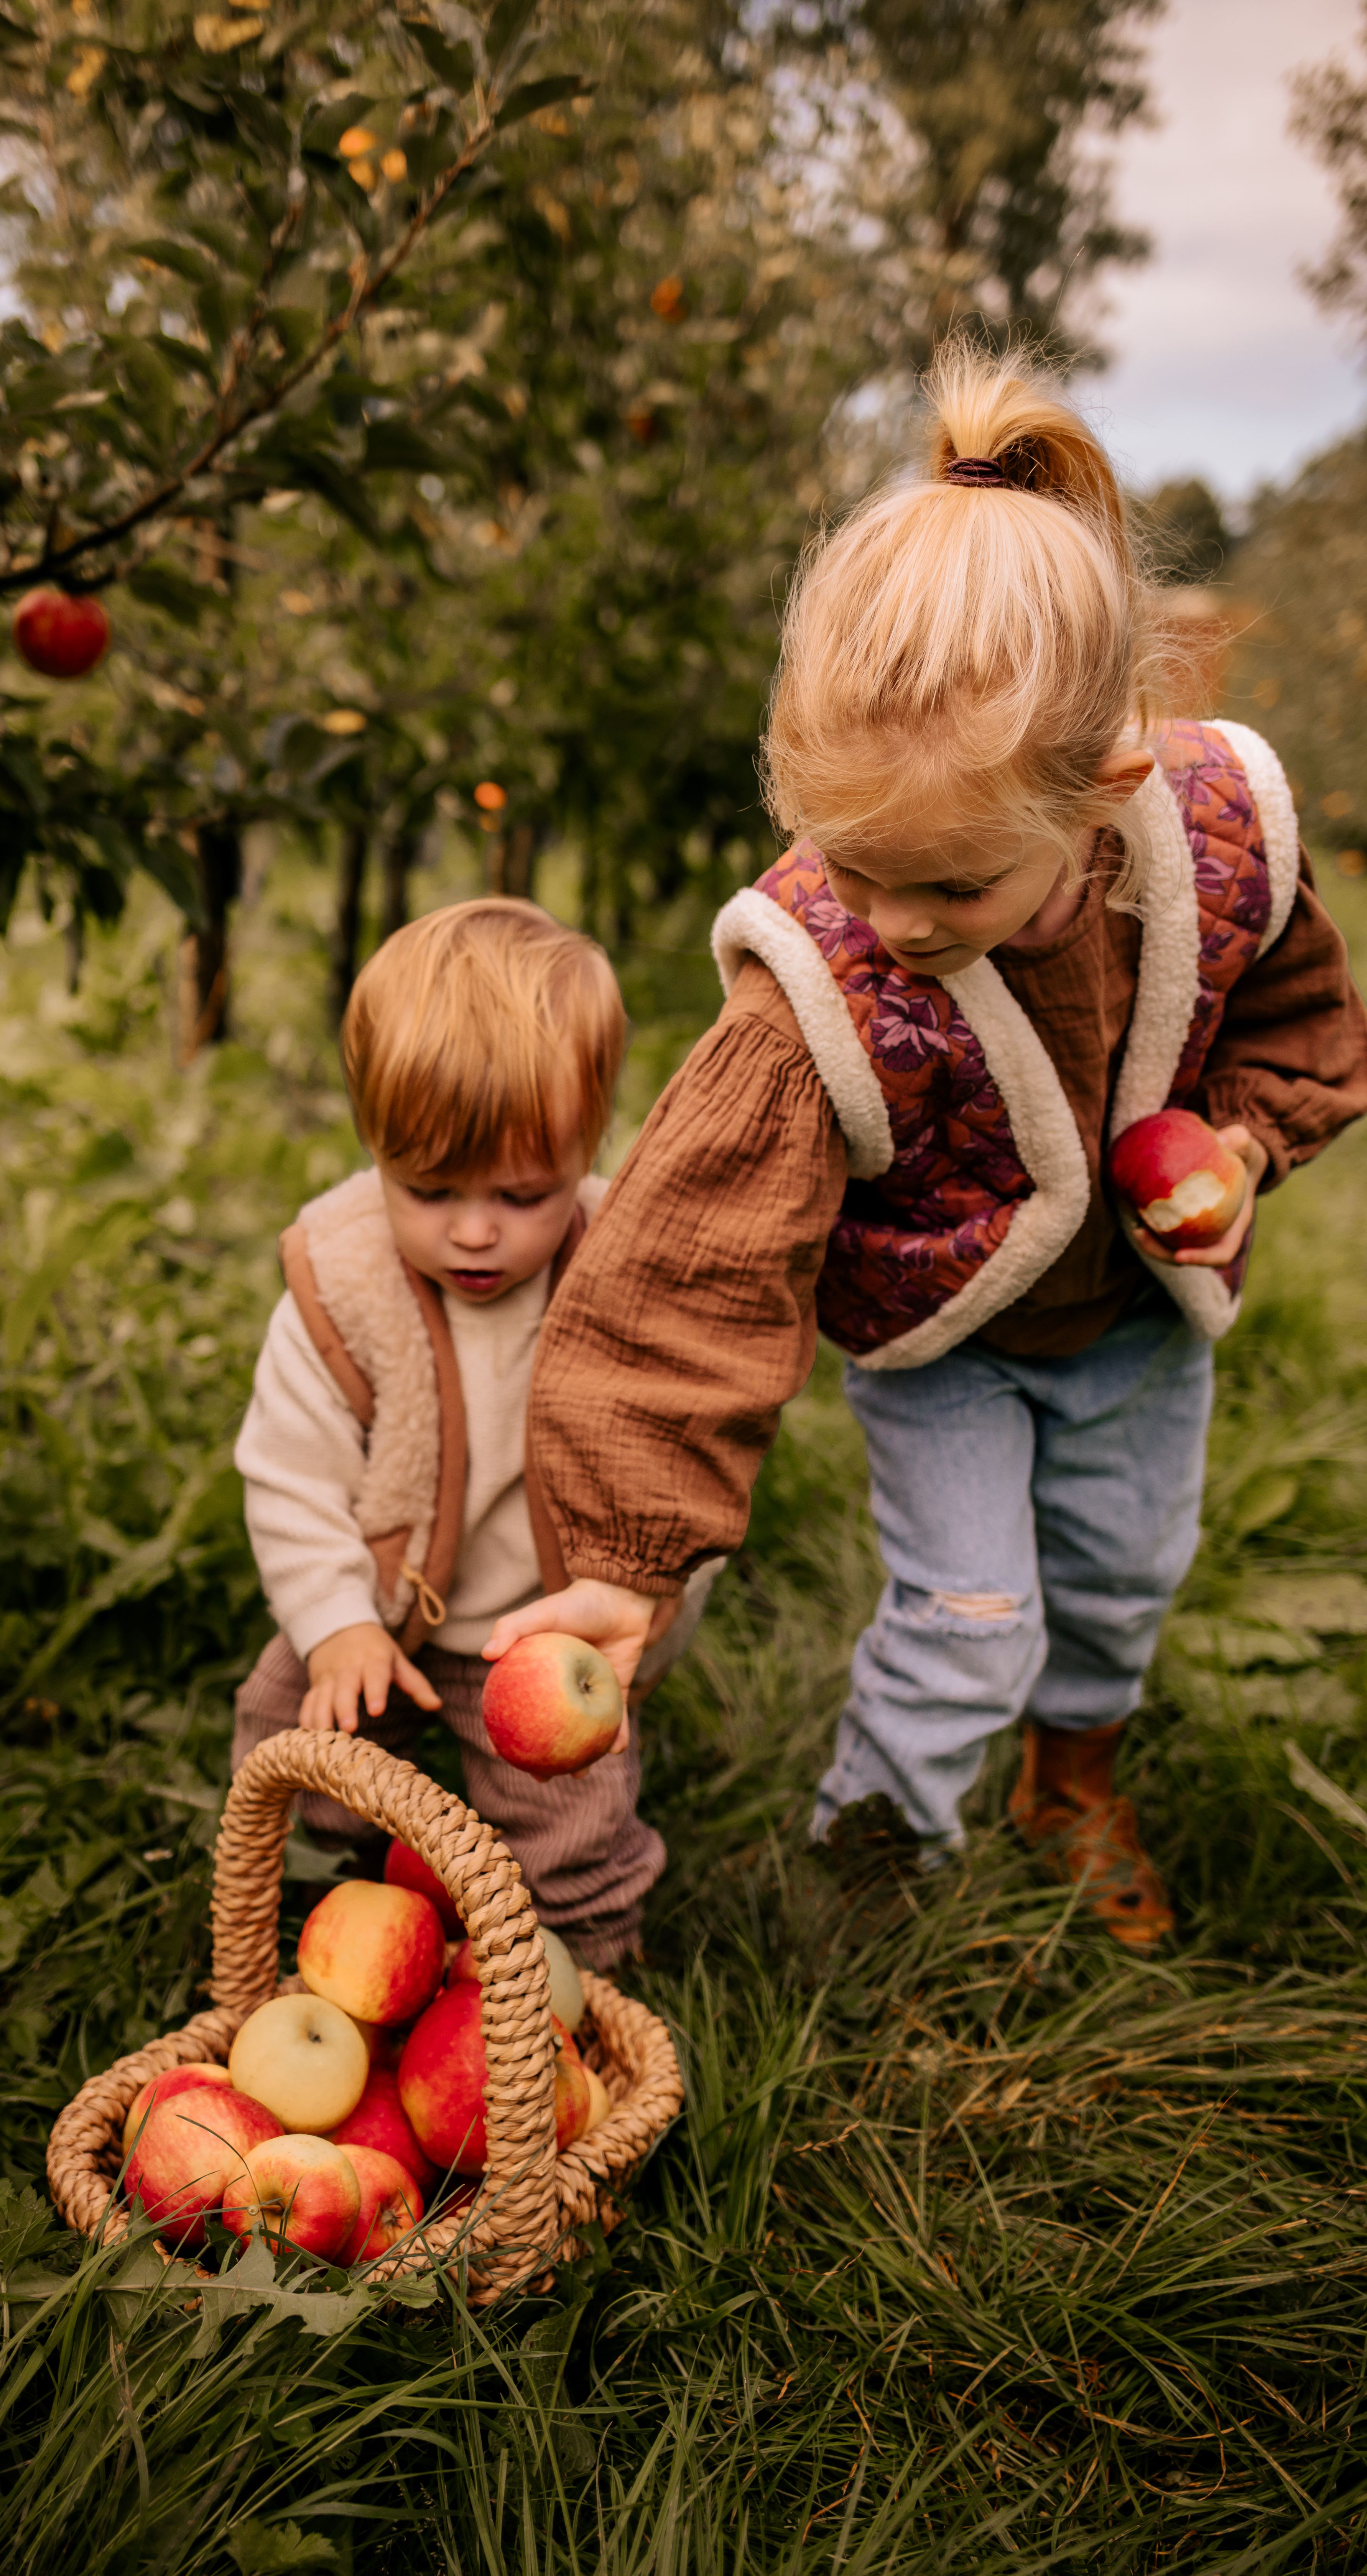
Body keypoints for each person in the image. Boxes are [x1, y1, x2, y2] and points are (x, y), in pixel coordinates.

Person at [483, 344, 1367, 1950]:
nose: (892, 923)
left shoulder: (1217, 843)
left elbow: (1292, 1014)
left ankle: (1071, 1781)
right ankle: (873, 1864)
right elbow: (686, 1268)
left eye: (949, 889)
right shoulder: (817, 981)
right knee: (969, 1618)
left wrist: (1237, 1147)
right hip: (942, 1338)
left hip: (1139, 1326)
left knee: (1120, 1585)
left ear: (1102, 795)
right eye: (854, 865)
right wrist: (627, 1560)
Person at [232, 897, 714, 1968]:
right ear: (375, 1148)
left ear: (589, 1147)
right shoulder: (345, 1284)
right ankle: (319, 1928)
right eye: (430, 1190)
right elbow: (289, 1476)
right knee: (294, 1737)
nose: (476, 1229)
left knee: (572, 1820)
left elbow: (676, 1456)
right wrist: (333, 1623)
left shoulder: (623, 1274)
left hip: (549, 1633)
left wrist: (646, 1602)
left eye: (523, 1192)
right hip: (387, 1611)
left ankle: (583, 1977)